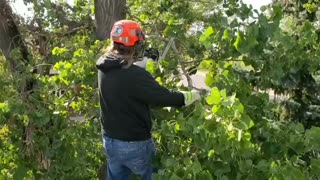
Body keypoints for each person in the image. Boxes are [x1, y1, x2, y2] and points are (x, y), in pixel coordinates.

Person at [96, 19, 201, 180]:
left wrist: (146, 61)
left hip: (110, 140)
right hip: (135, 143)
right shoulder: (136, 76)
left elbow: (125, 69)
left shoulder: (104, 66)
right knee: (154, 175)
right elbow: (163, 97)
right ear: (135, 44)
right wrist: (190, 95)